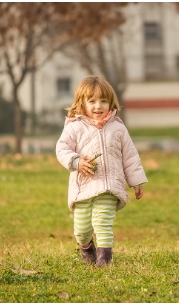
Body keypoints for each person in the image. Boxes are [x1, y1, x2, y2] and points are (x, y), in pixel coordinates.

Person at [56, 76, 148, 267]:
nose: (98, 106)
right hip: (83, 188)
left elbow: (130, 156)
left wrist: (136, 181)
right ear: (82, 103)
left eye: (103, 101)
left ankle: (104, 259)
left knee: (103, 223)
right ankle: (86, 247)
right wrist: (76, 162)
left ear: (111, 103)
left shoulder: (118, 128)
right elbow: (62, 149)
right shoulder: (74, 127)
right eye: (92, 101)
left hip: (109, 187)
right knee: (81, 229)